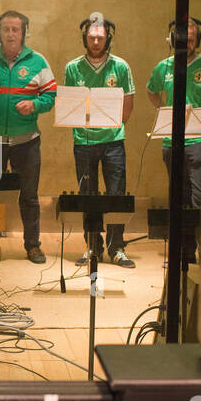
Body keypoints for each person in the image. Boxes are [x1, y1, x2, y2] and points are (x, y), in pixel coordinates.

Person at [0, 10, 57, 264]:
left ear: (23, 33)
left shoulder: (38, 62)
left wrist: (35, 105)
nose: (10, 34)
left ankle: (32, 246)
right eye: (6, 29)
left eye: (15, 29)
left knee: (29, 196)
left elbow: (50, 96)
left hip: (26, 141)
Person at [65, 13, 135, 268]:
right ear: (85, 38)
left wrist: (115, 124)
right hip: (83, 141)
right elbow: (69, 105)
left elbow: (128, 104)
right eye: (92, 37)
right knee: (88, 194)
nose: (96, 42)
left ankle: (117, 247)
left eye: (101, 38)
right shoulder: (73, 68)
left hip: (113, 141)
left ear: (108, 39)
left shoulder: (121, 66)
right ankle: (92, 245)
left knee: (116, 194)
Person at [146, 16, 201, 209]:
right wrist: (163, 110)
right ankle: (184, 240)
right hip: (171, 141)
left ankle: (200, 238)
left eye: (191, 39)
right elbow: (151, 90)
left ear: (198, 40)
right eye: (183, 39)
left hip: (199, 142)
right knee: (178, 199)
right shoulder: (164, 66)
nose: (187, 44)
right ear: (173, 40)